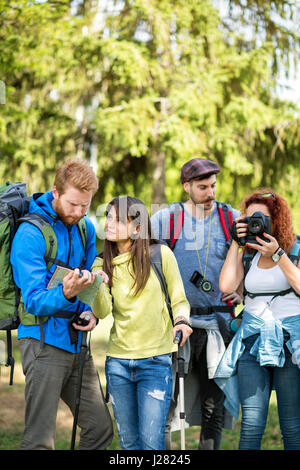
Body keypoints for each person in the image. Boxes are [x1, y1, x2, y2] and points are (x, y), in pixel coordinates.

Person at [10, 158, 113, 450]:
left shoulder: (85, 228)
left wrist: (90, 311)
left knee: (100, 429)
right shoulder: (29, 234)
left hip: (77, 343)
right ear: (55, 192)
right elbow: (33, 301)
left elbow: (90, 283)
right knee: (40, 440)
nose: (79, 213)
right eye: (72, 205)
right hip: (42, 344)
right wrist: (66, 294)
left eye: (85, 205)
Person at [151, 158, 241, 450]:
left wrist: (242, 291)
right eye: (202, 187)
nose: (210, 193)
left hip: (219, 327)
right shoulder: (166, 219)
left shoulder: (231, 219)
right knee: (165, 404)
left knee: (213, 408)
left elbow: (253, 263)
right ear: (186, 186)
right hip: (177, 326)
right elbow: (144, 262)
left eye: (213, 185)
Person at [91, 196, 192, 450]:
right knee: (128, 442)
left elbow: (179, 299)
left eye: (117, 219)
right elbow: (102, 312)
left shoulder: (160, 255)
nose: (109, 224)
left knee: (151, 443)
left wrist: (181, 320)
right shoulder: (101, 262)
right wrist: (100, 285)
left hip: (156, 361)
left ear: (137, 227)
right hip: (118, 364)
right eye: (108, 218)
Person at [214, 189, 300, 450]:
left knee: (292, 427)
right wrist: (235, 243)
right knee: (251, 426)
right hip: (252, 342)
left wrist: (278, 254)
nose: (255, 223)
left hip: (289, 344)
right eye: (249, 218)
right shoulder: (247, 251)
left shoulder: (296, 247)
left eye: (261, 218)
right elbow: (227, 285)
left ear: (277, 219)